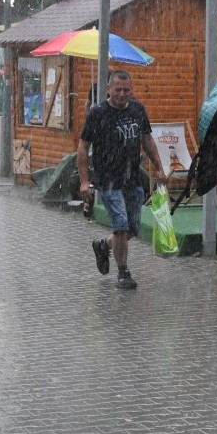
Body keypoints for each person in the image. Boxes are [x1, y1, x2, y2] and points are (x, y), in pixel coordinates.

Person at [77, 71, 166, 289]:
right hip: (108, 180)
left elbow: (147, 140)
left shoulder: (137, 110)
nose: (122, 94)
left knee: (133, 229)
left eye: (126, 90)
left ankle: (103, 245)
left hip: (132, 179)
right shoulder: (98, 114)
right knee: (121, 226)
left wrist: (160, 168)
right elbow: (82, 147)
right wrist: (84, 181)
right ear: (108, 89)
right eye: (118, 90)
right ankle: (123, 272)